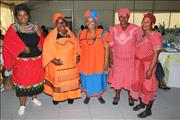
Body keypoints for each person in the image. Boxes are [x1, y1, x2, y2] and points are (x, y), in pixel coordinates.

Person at [2, 4, 44, 115]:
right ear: (16, 16)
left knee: (35, 81)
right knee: (22, 83)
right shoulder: (13, 28)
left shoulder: (34, 27)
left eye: (25, 15)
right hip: (21, 63)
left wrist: (40, 43)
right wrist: (21, 48)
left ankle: (34, 98)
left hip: (36, 61)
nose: (23, 18)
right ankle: (22, 105)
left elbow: (41, 37)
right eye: (20, 16)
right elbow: (8, 43)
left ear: (28, 15)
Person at [43, 13, 81, 105]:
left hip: (70, 64)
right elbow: (46, 50)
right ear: (56, 24)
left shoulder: (71, 33)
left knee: (70, 82)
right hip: (58, 65)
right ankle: (56, 98)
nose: (62, 25)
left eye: (63, 23)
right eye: (59, 23)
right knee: (59, 83)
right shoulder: (52, 35)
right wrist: (53, 60)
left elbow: (77, 45)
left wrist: (78, 55)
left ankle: (70, 96)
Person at [131, 13, 162, 118]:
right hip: (139, 65)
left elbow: (156, 53)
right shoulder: (142, 35)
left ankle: (148, 110)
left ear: (152, 24)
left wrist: (150, 69)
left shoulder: (154, 35)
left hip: (148, 65)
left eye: (147, 22)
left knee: (149, 87)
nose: (144, 24)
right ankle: (142, 103)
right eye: (143, 21)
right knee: (141, 85)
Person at [109, 8, 142, 106]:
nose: (123, 19)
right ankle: (117, 96)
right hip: (117, 59)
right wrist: (111, 59)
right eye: (121, 17)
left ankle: (130, 97)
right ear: (118, 18)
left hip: (131, 60)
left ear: (128, 17)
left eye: (125, 17)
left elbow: (139, 44)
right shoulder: (114, 29)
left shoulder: (136, 29)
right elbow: (111, 45)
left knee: (129, 79)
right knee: (117, 79)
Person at [78, 9, 109, 104]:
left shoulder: (103, 33)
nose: (90, 23)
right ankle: (88, 95)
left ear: (96, 23)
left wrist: (106, 63)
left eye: (92, 21)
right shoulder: (82, 33)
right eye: (88, 21)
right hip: (85, 63)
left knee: (98, 80)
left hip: (98, 62)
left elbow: (107, 49)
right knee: (87, 80)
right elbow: (79, 47)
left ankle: (99, 96)